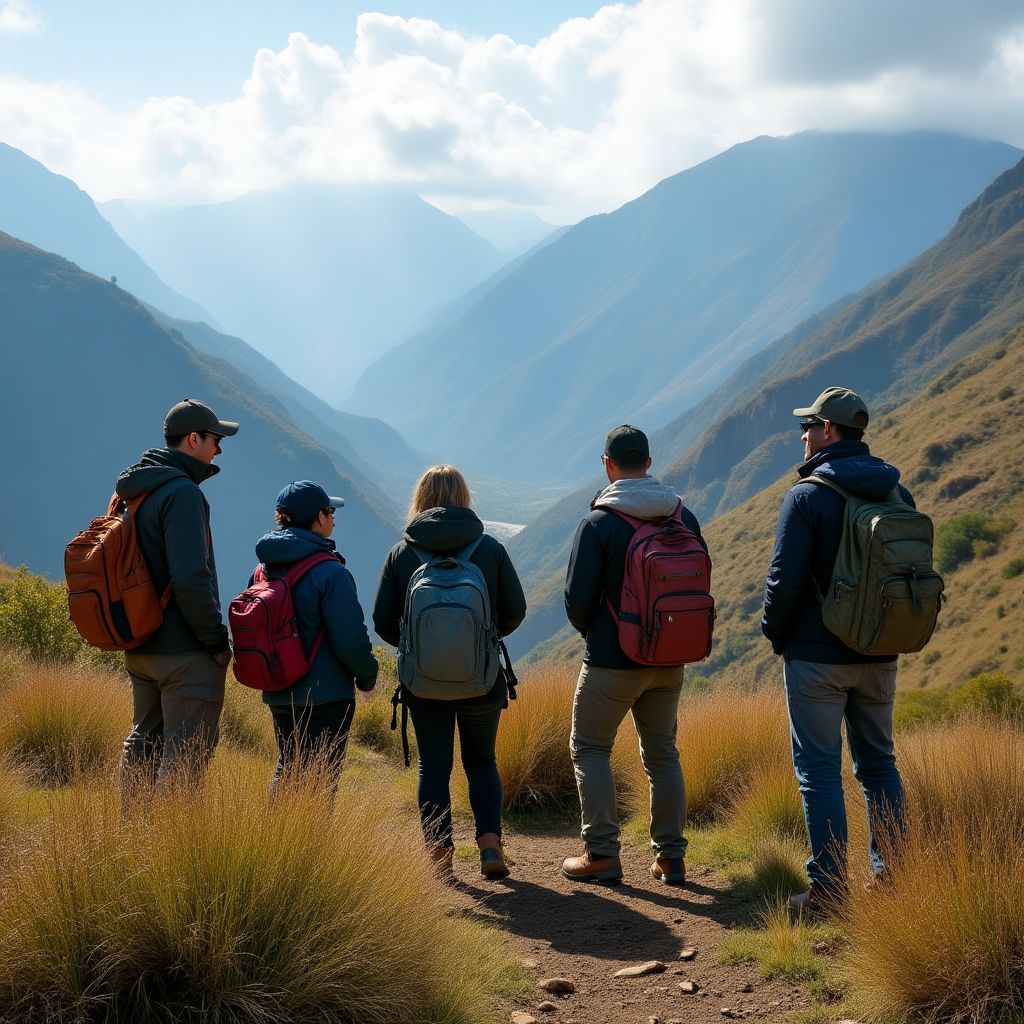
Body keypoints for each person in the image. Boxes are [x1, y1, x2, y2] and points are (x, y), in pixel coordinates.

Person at [761, 387, 909, 916]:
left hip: (817, 660)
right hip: (881, 655)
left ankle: (827, 891)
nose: (802, 435)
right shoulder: (898, 495)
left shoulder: (807, 496)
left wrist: (778, 636)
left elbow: (784, 582)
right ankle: (894, 882)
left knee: (819, 771)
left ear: (828, 431)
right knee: (879, 767)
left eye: (808, 426)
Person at [562, 425, 705, 886]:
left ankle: (602, 854)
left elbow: (576, 599)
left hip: (611, 660)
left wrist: (599, 634)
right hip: (670, 658)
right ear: (648, 462)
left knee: (591, 747)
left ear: (608, 465)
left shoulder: (599, 523)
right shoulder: (683, 517)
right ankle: (670, 857)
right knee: (662, 754)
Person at [372, 465, 526, 880]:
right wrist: (484, 641)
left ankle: (439, 857)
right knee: (481, 761)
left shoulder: (402, 553)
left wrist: (417, 649)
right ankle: (490, 846)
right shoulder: (489, 549)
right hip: (482, 680)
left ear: (420, 499)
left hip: (423, 684)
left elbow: (383, 621)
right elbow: (516, 609)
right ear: (464, 497)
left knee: (433, 768)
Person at [117, 398, 238, 790]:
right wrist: (215, 640)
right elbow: (190, 578)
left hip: (141, 645)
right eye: (214, 439)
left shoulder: (134, 490)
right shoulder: (182, 494)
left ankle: (131, 844)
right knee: (186, 759)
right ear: (192, 439)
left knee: (142, 747)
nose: (218, 449)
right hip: (184, 653)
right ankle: (169, 851)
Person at [252, 480, 378, 792]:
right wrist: (368, 676)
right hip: (326, 696)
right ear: (318, 518)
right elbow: (351, 639)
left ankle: (276, 839)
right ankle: (308, 841)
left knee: (288, 766)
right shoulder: (331, 572)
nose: (334, 516)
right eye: (329, 511)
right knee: (320, 780)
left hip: (279, 690)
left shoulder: (264, 569)